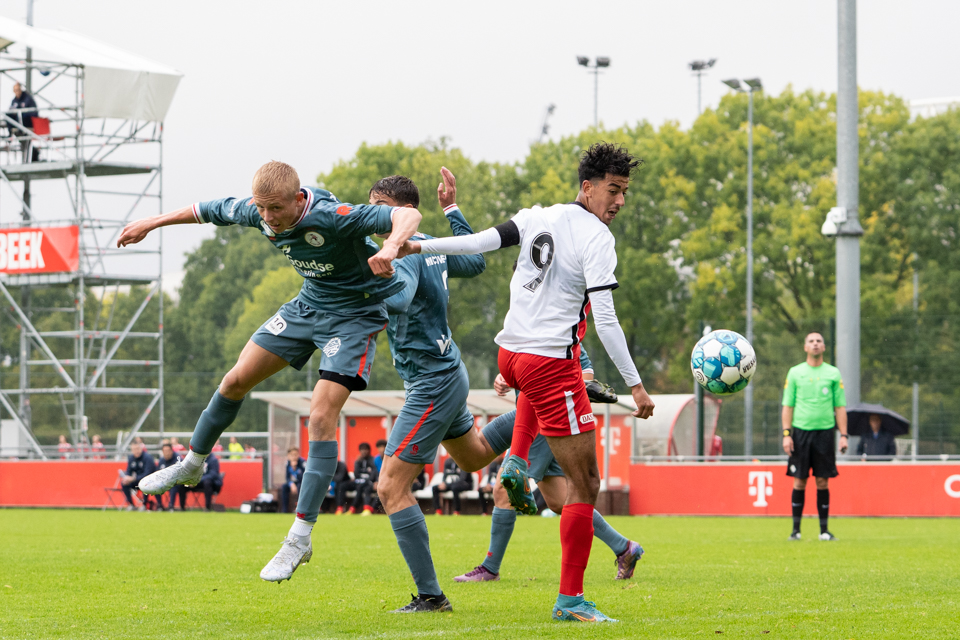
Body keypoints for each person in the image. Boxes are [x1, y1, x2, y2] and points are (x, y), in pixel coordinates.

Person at [118, 161, 423, 582]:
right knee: (234, 381)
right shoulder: (258, 210)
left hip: (353, 317)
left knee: (320, 417)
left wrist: (390, 248)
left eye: (275, 209)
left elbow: (407, 215)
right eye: (261, 208)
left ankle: (299, 537)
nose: (268, 218)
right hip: (307, 307)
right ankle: (192, 463)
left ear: (298, 200)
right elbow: (203, 210)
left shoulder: (334, 216)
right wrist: (150, 223)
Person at [398, 143, 655, 622]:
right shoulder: (597, 238)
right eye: (613, 190)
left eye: (624, 192)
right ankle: (570, 601)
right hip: (549, 363)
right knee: (585, 483)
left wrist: (418, 245)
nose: (619, 201)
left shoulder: (538, 215)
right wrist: (636, 385)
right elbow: (606, 319)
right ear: (588, 187)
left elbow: (478, 243)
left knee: (561, 480)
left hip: (511, 357)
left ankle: (516, 461)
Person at [369, 169, 489, 613]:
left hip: (432, 383)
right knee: (474, 456)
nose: (369, 214)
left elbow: (398, 300)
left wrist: (360, 285)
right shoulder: (428, 243)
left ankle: (431, 596)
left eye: (378, 208)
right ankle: (533, 413)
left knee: (390, 487)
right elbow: (474, 261)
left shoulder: (403, 251)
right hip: (448, 370)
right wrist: (453, 210)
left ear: (403, 212)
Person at [455, 347, 642, 584]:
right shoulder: (524, 334)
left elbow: (585, 379)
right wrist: (505, 379)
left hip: (544, 421)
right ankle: (624, 547)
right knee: (559, 501)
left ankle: (490, 569)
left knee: (504, 489)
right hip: (526, 416)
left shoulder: (565, 336)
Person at [782, 332, 848, 542]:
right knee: (799, 480)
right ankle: (795, 531)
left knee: (822, 481)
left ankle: (824, 531)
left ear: (824, 347)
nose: (815, 344)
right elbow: (787, 406)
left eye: (819, 341)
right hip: (800, 432)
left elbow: (840, 407)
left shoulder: (833, 373)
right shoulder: (795, 372)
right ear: (805, 347)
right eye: (811, 341)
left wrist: (843, 435)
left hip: (825, 433)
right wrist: (787, 434)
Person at [6, 82, 39, 163]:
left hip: (28, 121)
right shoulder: (14, 100)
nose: (17, 92)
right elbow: (11, 109)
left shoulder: (28, 98)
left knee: (20, 115)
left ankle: (33, 153)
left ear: (21, 90)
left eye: (18, 90)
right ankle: (10, 134)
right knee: (8, 115)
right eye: (15, 90)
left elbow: (34, 113)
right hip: (19, 122)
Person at [120, 441, 156, 510]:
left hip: (148, 481)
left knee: (146, 483)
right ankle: (131, 504)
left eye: (137, 449)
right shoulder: (131, 458)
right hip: (136, 481)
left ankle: (144, 505)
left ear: (141, 448)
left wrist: (133, 478)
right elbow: (128, 471)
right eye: (134, 449)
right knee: (124, 483)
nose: (136, 451)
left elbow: (147, 474)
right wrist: (127, 478)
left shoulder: (147, 458)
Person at [157, 441, 187, 511]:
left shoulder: (178, 459)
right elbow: (158, 473)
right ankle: (159, 506)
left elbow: (180, 474)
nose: (166, 453)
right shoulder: (161, 460)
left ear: (171, 451)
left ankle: (171, 506)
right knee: (155, 485)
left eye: (168, 451)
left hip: (177, 482)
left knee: (173, 485)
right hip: (164, 482)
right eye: (164, 451)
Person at [281, 447, 306, 513]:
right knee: (284, 486)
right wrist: (291, 484)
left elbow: (304, 477)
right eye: (292, 455)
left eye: (296, 455)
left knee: (300, 486)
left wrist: (295, 468)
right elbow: (287, 477)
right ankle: (285, 510)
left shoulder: (303, 462)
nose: (294, 457)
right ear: (288, 456)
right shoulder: (288, 463)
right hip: (293, 483)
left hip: (302, 483)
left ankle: (300, 509)